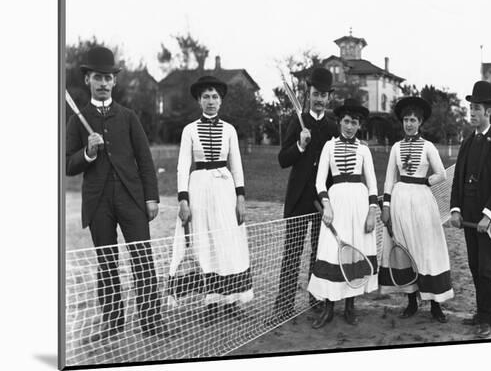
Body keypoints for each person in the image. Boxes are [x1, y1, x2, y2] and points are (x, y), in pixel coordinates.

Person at [66, 46, 167, 341]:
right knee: (107, 263)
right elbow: (67, 165)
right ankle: (113, 322)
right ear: (88, 80)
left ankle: (152, 321)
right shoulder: (76, 120)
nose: (103, 83)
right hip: (98, 203)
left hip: (132, 198)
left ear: (114, 82)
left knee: (142, 260)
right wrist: (87, 152)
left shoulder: (128, 117)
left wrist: (151, 197)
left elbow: (145, 160)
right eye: (97, 77)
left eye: (108, 78)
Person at [168, 75, 253, 325]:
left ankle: (231, 301)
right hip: (199, 190)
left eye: (215, 96)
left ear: (221, 101)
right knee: (206, 244)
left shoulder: (229, 130)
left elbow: (237, 167)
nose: (211, 101)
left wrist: (241, 198)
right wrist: (183, 200)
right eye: (206, 96)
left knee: (228, 243)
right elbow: (183, 167)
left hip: (225, 190)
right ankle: (211, 303)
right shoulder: (189, 130)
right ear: (199, 100)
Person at [271, 68, 340, 319]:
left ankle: (316, 300)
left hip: (322, 201)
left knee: (318, 254)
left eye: (323, 95)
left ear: (329, 97)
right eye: (315, 94)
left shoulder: (333, 127)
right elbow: (282, 159)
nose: (319, 99)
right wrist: (300, 145)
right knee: (292, 253)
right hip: (298, 200)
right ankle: (284, 305)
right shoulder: (296, 121)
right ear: (308, 95)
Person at [379, 96, 454, 323]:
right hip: (400, 201)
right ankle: (411, 302)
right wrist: (386, 206)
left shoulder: (428, 146)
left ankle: (435, 305)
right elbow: (389, 180)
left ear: (420, 122)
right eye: (405, 120)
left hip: (422, 202)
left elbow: (442, 173)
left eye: (413, 120)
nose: (409, 124)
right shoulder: (396, 147)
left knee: (427, 250)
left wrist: (426, 182)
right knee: (404, 250)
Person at [308, 98, 379, 328]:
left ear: (359, 125)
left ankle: (350, 307)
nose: (350, 126)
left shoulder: (364, 150)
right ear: (340, 122)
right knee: (331, 251)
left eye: (355, 123)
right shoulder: (329, 146)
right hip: (336, 204)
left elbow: (373, 186)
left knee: (354, 252)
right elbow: (319, 182)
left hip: (359, 205)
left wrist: (371, 213)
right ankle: (328, 308)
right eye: (347, 121)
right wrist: (326, 204)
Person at [450, 81, 491, 338]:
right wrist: (455, 210)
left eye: (477, 108)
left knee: (486, 268)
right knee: (474, 266)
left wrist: (488, 215)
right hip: (469, 218)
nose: (472, 112)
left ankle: (488, 318)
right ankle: (480, 312)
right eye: (470, 108)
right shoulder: (467, 142)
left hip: (488, 220)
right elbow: (457, 180)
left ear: (489, 112)